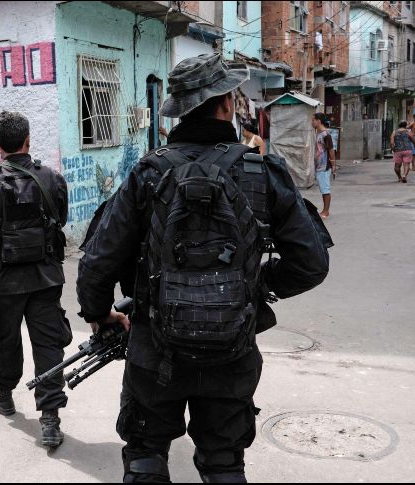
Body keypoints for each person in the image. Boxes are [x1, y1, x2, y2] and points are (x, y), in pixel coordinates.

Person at [76, 53, 331, 483]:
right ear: (227, 104)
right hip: (232, 349)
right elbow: (311, 263)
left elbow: (97, 265)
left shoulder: (147, 173)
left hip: (154, 349)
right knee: (223, 464)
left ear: (178, 108)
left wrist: (102, 315)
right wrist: (254, 285)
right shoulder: (261, 170)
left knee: (145, 458)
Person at [0, 111, 70, 449]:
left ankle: (2, 394)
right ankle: (50, 420)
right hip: (45, 276)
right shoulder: (51, 178)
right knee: (48, 344)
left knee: (3, 339)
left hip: (2, 281)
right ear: (27, 140)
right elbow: (61, 218)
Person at [312, 113, 336, 219]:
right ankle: (324, 210)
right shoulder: (318, 133)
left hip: (324, 165)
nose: (312, 122)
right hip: (319, 165)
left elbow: (331, 150)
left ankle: (326, 211)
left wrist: (333, 165)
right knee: (323, 188)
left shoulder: (326, 134)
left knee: (325, 189)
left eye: (313, 120)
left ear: (319, 121)